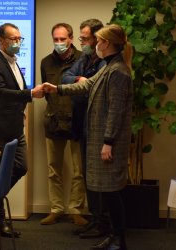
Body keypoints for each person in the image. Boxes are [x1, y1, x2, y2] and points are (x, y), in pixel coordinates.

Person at [43, 23, 133, 250]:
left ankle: (119, 240)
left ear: (107, 43)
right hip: (101, 139)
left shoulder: (119, 71)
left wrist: (108, 142)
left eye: (99, 41)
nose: (96, 45)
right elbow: (88, 85)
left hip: (109, 142)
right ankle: (114, 237)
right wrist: (57, 88)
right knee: (109, 193)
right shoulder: (109, 67)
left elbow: (115, 110)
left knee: (113, 195)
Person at [0, 22, 44, 238]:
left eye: (20, 39)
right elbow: (0, 92)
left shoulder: (15, 63)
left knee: (22, 166)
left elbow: (14, 93)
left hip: (16, 126)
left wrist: (22, 108)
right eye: (14, 39)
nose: (18, 42)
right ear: (1, 41)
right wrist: (30, 94)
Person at [61, 19, 110, 239]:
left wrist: (82, 84)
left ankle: (103, 223)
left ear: (98, 38)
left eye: (85, 38)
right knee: (89, 177)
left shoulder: (105, 62)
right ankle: (95, 219)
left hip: (98, 129)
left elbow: (92, 90)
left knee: (98, 179)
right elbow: (66, 77)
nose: (82, 42)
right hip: (82, 125)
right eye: (80, 38)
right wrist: (81, 80)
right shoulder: (85, 58)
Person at [40, 22, 88, 226]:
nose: (59, 43)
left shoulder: (83, 59)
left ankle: (76, 210)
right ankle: (56, 209)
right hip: (54, 121)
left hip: (77, 121)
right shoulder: (46, 62)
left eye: (62, 39)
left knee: (80, 170)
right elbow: (47, 93)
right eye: (55, 39)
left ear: (70, 38)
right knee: (53, 170)